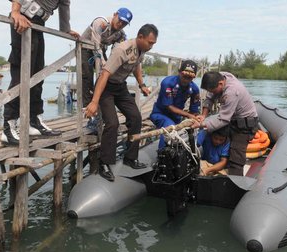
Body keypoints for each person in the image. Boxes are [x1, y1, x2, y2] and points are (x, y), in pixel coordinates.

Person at [84, 24, 157, 181]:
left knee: (136, 118)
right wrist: (94, 102)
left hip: (120, 87)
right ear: (140, 37)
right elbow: (104, 75)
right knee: (112, 123)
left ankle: (130, 158)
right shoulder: (122, 50)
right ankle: (104, 163)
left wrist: (142, 84)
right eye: (150, 42)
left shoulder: (141, 50)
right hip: (106, 88)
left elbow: (136, 65)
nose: (151, 46)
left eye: (153, 44)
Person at [2, 0, 80, 145]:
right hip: (24, 16)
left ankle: (34, 121)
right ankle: (8, 126)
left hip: (38, 23)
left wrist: (66, 29)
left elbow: (64, 5)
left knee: (38, 76)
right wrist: (15, 11)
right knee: (21, 76)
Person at [192, 71, 258, 176]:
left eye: (213, 90)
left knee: (236, 158)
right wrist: (203, 116)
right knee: (209, 132)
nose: (212, 93)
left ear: (221, 84)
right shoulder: (219, 76)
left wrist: (200, 124)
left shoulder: (232, 91)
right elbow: (209, 98)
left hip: (244, 125)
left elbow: (223, 119)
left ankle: (235, 187)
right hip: (232, 118)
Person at [80, 8, 132, 135]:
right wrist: (103, 61)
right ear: (115, 15)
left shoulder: (120, 33)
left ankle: (104, 113)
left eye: (124, 23)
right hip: (86, 48)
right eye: (120, 21)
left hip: (100, 50)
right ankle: (90, 114)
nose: (121, 24)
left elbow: (121, 47)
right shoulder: (101, 23)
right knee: (86, 79)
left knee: (107, 78)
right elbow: (95, 43)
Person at [150, 60, 201, 149]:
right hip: (160, 114)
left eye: (189, 78)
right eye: (184, 76)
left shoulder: (194, 89)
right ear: (179, 72)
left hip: (176, 118)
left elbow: (194, 110)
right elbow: (169, 106)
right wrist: (189, 115)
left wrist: (194, 119)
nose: (186, 79)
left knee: (188, 132)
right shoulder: (168, 83)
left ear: (193, 78)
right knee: (170, 127)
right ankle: (162, 157)